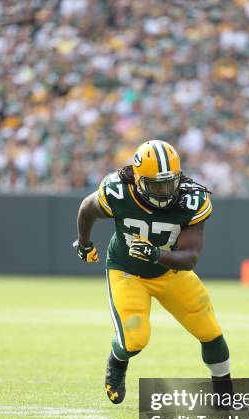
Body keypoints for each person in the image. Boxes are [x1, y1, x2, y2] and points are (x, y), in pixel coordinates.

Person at [73, 140, 231, 404]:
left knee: (209, 329)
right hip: (128, 272)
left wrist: (156, 254)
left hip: (171, 272)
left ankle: (224, 393)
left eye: (170, 183)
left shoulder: (191, 200)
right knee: (135, 339)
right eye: (156, 184)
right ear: (137, 180)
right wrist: (85, 243)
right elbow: (87, 209)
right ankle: (117, 361)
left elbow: (190, 257)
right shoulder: (119, 191)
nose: (165, 190)